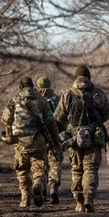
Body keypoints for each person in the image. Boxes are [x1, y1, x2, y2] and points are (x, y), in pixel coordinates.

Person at [53, 65, 109, 213]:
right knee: (91, 169)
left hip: (74, 139)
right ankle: (89, 198)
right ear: (89, 77)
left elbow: (58, 117)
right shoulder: (98, 94)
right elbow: (106, 115)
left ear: (76, 77)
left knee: (77, 170)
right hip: (93, 138)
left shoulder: (67, 94)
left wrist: (70, 128)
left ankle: (79, 202)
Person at [1, 77, 61, 208]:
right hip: (38, 142)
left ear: (20, 87)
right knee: (40, 169)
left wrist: (10, 136)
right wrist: (56, 141)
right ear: (33, 85)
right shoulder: (42, 100)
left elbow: (6, 120)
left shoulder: (13, 101)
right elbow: (51, 122)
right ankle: (38, 185)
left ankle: (25, 198)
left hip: (20, 143)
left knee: (22, 170)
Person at [36, 76, 63, 204]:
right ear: (50, 85)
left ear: (38, 87)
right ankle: (53, 187)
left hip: (39, 138)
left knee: (41, 165)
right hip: (55, 136)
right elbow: (63, 119)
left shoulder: (36, 100)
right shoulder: (58, 99)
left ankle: (41, 190)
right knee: (55, 163)